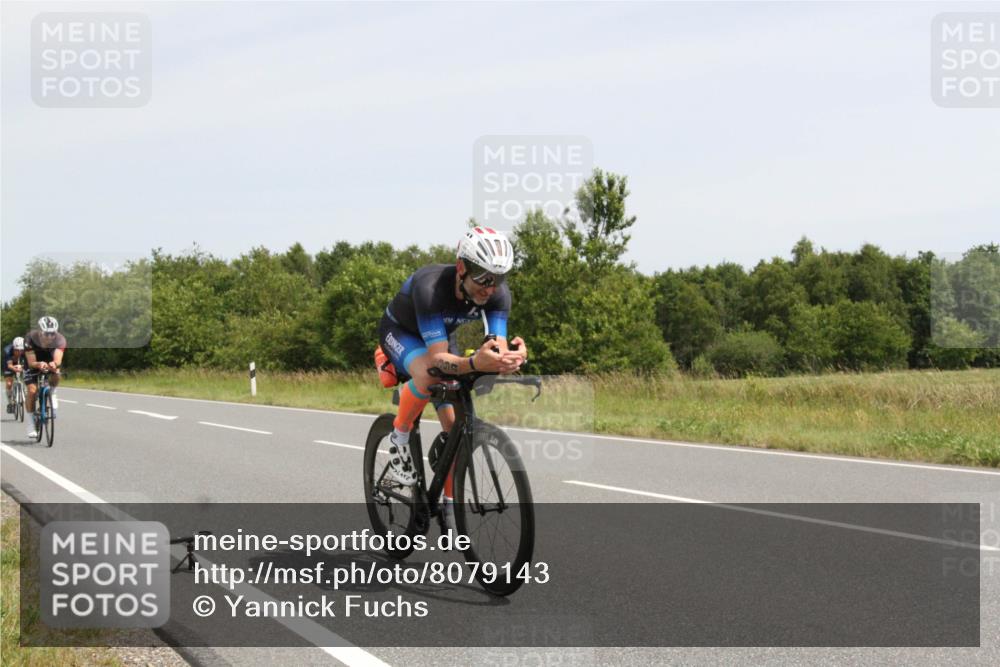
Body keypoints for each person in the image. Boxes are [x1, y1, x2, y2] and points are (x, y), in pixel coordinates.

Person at [375, 227, 528, 486]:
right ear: (461, 268)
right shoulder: (430, 287)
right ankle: (398, 437)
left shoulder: (498, 294)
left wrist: (510, 359)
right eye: (483, 277)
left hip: (442, 337)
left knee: (456, 432)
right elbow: (437, 360)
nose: (491, 288)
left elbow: (497, 347)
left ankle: (448, 505)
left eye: (499, 277)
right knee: (429, 374)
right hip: (401, 332)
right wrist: (473, 363)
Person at [24, 316, 66, 439]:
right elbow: (31, 362)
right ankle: (31, 424)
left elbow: (58, 359)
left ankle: (52, 392)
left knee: (56, 372)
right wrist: (38, 364)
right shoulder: (30, 338)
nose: (50, 337)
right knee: (32, 391)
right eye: (47, 334)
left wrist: (54, 364)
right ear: (39, 331)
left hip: (49, 358)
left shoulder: (60, 339)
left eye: (53, 333)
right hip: (33, 362)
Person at [3, 337, 25, 413]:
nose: (19, 352)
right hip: (9, 364)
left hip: (20, 363)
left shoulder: (26, 350)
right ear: (13, 347)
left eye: (21, 350)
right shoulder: (7, 351)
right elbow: (9, 365)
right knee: (9, 383)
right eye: (17, 350)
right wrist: (16, 369)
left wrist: (23, 368)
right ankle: (10, 403)